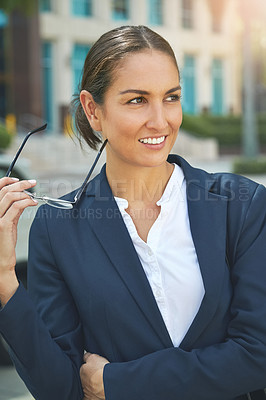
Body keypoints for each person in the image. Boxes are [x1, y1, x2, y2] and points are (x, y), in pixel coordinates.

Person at [0, 25, 266, 400]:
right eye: (137, 100)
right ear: (94, 110)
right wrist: (5, 279)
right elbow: (59, 388)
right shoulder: (58, 226)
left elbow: (258, 354)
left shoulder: (241, 205)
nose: (160, 120)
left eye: (170, 97)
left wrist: (119, 383)